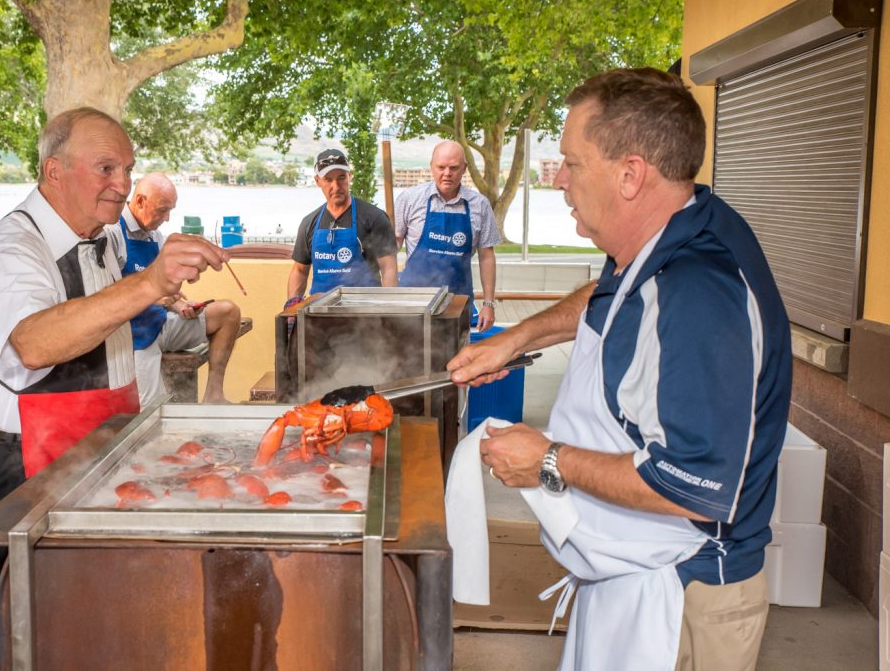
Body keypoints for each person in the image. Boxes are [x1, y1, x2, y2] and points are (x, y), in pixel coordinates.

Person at [447, 68, 792, 670]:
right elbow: (607, 298)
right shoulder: (666, 235)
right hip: (627, 576)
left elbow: (693, 486)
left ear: (630, 174)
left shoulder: (700, 295)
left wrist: (548, 460)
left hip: (678, 599)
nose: (559, 180)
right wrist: (516, 339)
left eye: (572, 163)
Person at [0, 107, 229, 519]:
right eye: (106, 169)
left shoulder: (104, 237)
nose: (122, 185)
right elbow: (32, 344)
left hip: (104, 455)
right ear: (54, 171)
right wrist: (150, 281)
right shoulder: (11, 248)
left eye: (127, 169)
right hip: (33, 470)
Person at [106, 172, 241, 406]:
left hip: (160, 324)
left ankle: (214, 395)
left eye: (170, 210)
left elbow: (164, 291)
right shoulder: (112, 233)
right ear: (140, 201)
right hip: (132, 337)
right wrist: (153, 297)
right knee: (152, 411)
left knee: (228, 313)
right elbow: (105, 296)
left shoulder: (155, 236)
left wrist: (181, 305)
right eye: (162, 210)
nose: (167, 218)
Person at [394, 141, 502, 330]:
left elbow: (487, 257)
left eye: (454, 168)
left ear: (464, 168)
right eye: (441, 167)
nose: (447, 173)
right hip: (413, 303)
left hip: (458, 303)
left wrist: (488, 304)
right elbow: (392, 246)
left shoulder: (480, 205)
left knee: (456, 348)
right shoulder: (409, 199)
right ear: (431, 166)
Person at [286, 149, 398, 305]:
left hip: (366, 311)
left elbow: (389, 268)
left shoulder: (374, 218)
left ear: (350, 176)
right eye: (328, 179)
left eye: (341, 178)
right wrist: (292, 304)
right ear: (317, 181)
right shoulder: (309, 223)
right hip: (320, 311)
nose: (336, 186)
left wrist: (389, 309)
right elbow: (300, 271)